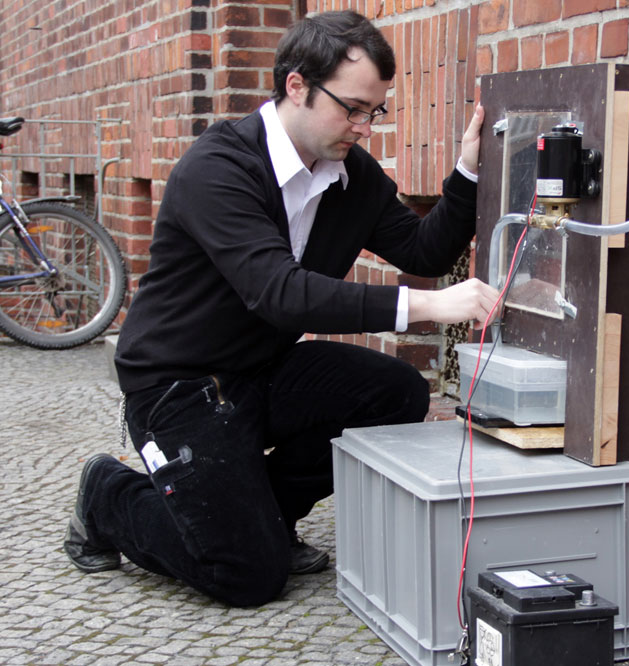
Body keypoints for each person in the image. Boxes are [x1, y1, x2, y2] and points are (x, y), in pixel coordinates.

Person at [63, 10, 498, 607]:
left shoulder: (350, 174)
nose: (364, 127)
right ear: (297, 85)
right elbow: (280, 293)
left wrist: (468, 170)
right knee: (245, 576)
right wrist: (429, 305)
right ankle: (108, 495)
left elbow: (425, 250)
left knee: (396, 391)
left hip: (261, 370)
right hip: (178, 388)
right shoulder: (218, 168)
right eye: (352, 108)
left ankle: (265, 516)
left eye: (374, 111)